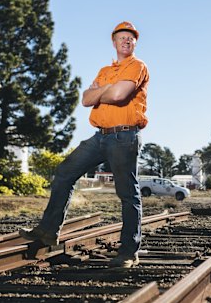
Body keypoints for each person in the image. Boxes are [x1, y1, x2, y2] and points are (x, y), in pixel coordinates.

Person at [19, 21, 149, 268]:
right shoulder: (105, 70)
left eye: (130, 38)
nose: (126, 41)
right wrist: (106, 89)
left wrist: (104, 91)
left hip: (124, 136)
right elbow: (86, 100)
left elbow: (120, 96)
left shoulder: (137, 66)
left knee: (127, 194)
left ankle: (129, 252)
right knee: (65, 172)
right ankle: (48, 230)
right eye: (121, 38)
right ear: (114, 42)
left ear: (135, 43)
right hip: (100, 136)